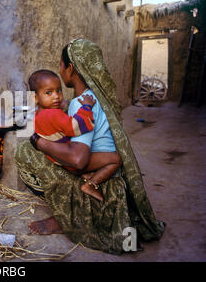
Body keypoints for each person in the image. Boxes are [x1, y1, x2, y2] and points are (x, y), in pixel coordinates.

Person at [14, 38, 165, 254]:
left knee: (26, 151)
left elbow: (78, 159)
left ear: (71, 68)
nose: (56, 95)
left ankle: (70, 216)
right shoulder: (97, 97)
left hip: (98, 173)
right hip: (109, 170)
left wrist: (41, 143)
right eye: (49, 93)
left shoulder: (81, 103)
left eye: (61, 65)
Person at [29, 70, 122, 202]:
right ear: (35, 98)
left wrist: (60, 107)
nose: (56, 96)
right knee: (116, 159)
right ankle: (91, 185)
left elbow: (54, 123)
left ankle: (88, 175)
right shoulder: (53, 115)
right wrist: (86, 107)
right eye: (49, 93)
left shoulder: (38, 114)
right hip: (71, 163)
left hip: (60, 160)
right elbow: (76, 126)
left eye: (59, 91)